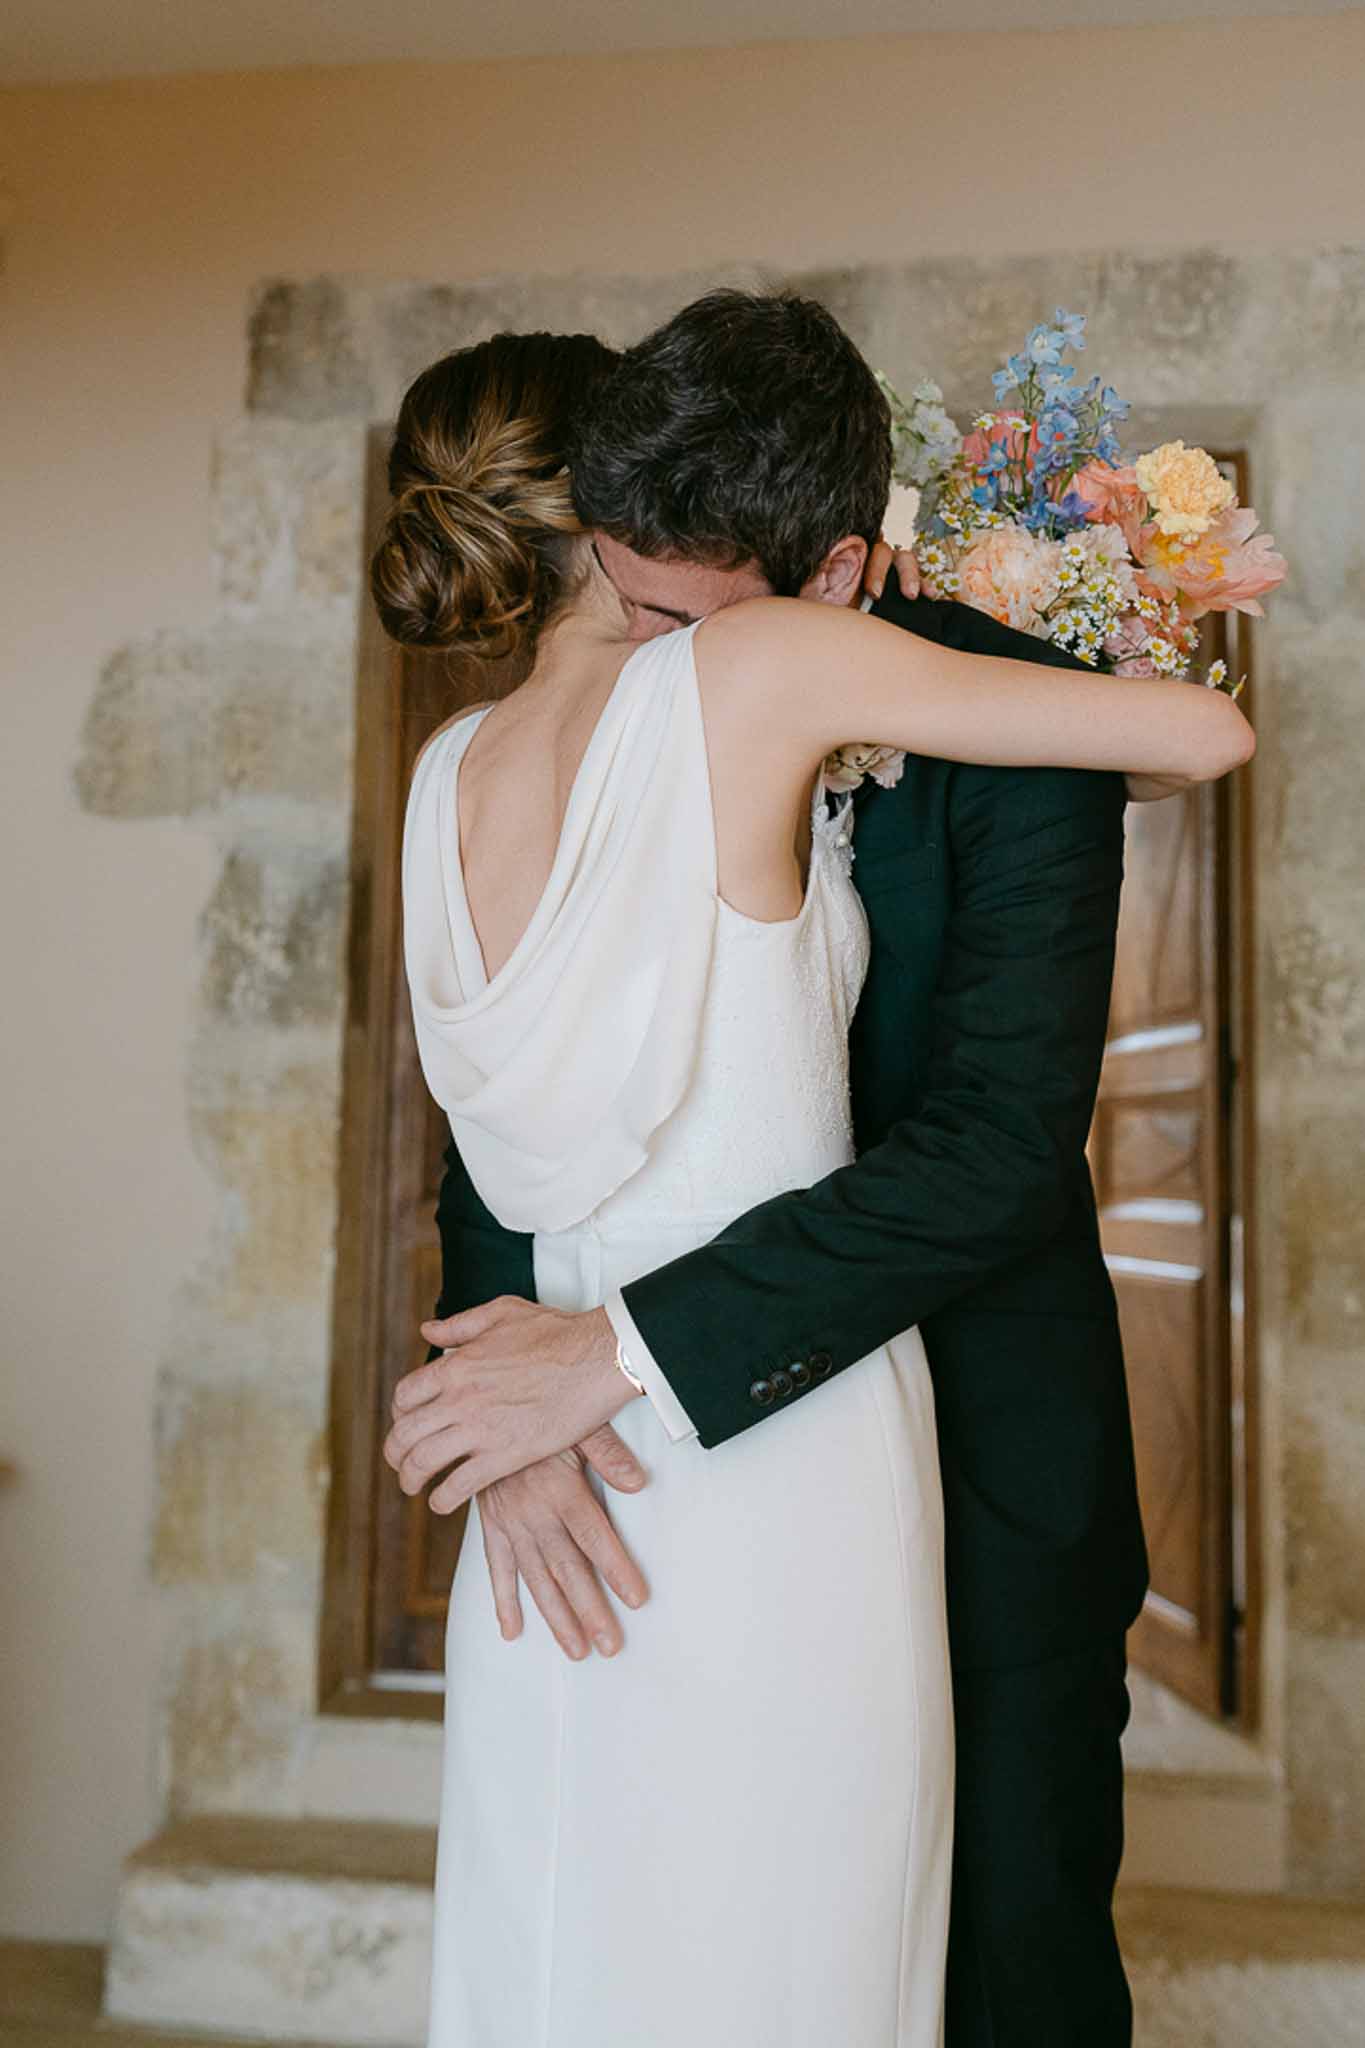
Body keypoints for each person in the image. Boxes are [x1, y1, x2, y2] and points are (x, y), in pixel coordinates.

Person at [375, 299, 1253, 2048]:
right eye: (620, 584)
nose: (645, 640)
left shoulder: (1001, 709)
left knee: (996, 1979)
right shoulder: (532, 742)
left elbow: (995, 1155)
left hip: (978, 1458)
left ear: (833, 569)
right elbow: (506, 1138)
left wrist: (607, 1355)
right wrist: (504, 1412)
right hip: (623, 1461)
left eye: (679, 612)